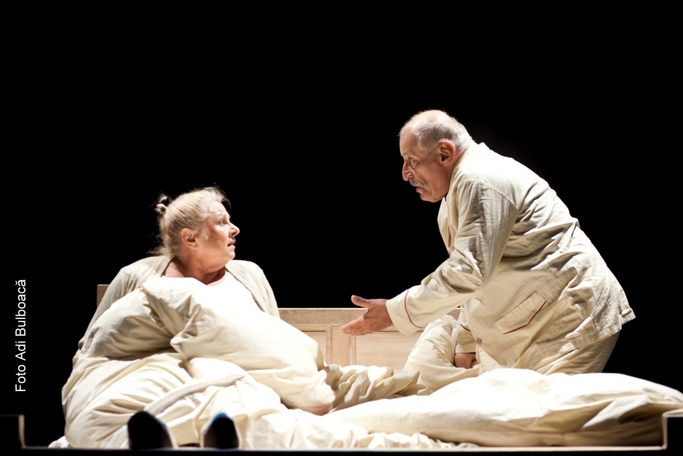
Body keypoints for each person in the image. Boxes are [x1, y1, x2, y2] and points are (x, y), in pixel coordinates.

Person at [340, 110, 635, 387]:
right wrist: (466, 339)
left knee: (539, 417)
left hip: (571, 317)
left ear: (445, 153)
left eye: (412, 160)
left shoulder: (480, 180)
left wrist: (394, 311)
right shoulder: (459, 189)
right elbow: (479, 273)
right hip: (541, 321)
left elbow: (467, 273)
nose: (405, 173)